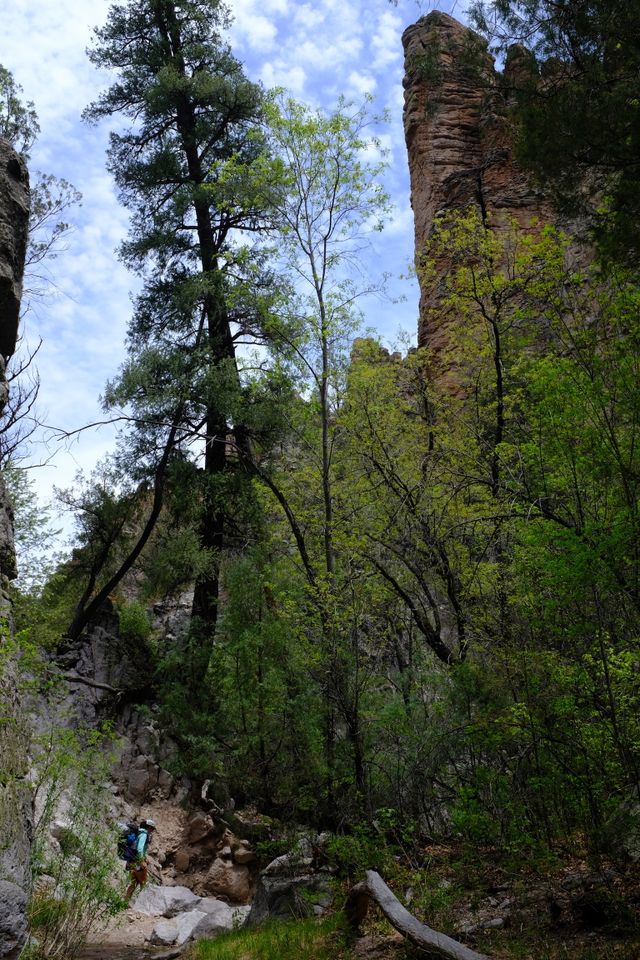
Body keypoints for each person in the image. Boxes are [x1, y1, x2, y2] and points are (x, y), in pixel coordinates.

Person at [125, 818, 156, 901]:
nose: (152, 831)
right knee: (143, 883)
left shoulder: (138, 833)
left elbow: (136, 848)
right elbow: (139, 849)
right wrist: (142, 860)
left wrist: (144, 858)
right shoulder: (144, 834)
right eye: (152, 829)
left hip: (131, 861)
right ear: (148, 827)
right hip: (137, 862)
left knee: (133, 883)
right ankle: (142, 904)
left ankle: (125, 902)